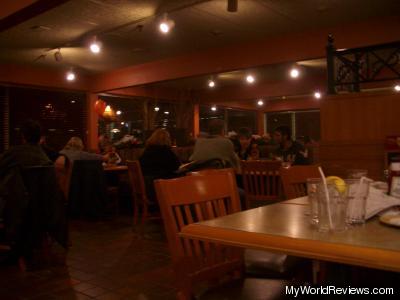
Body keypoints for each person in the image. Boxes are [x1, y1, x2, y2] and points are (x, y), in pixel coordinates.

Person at [139, 129, 180, 204]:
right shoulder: (165, 151)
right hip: (157, 189)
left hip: (146, 187)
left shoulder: (147, 151)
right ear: (167, 139)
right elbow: (177, 166)